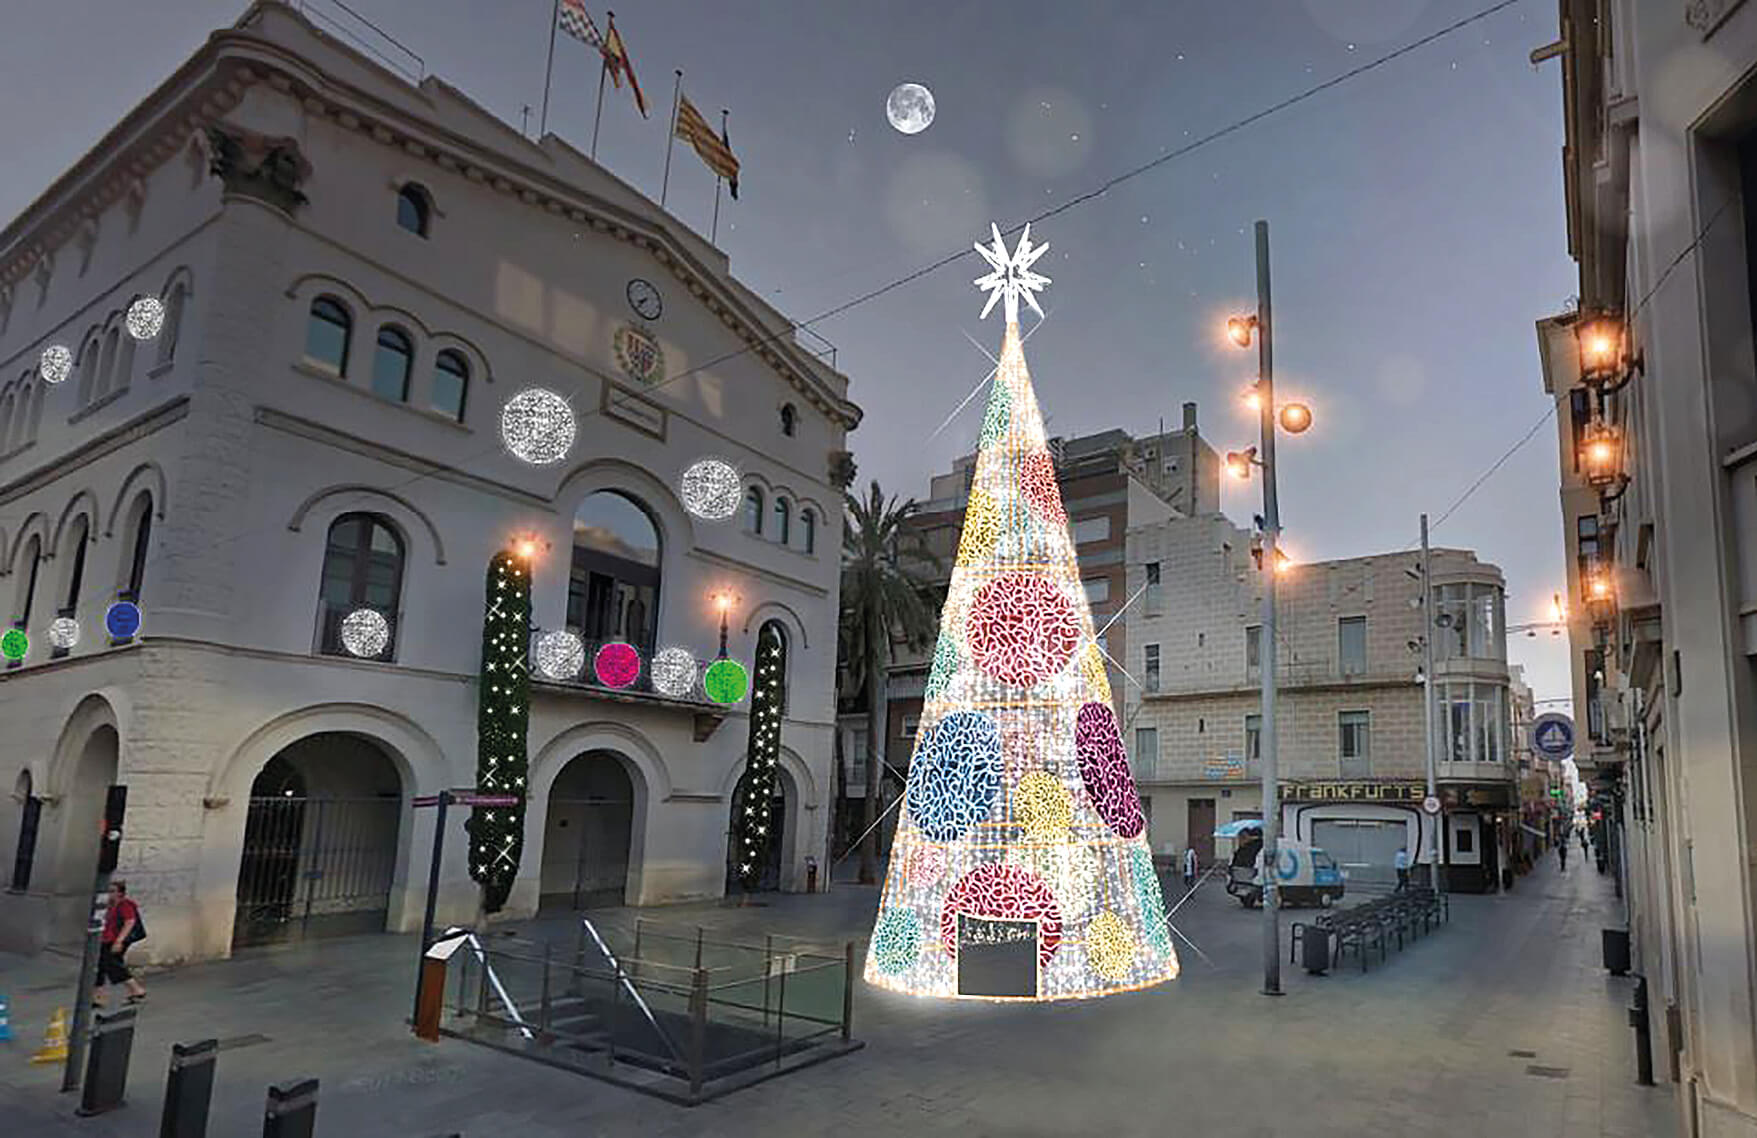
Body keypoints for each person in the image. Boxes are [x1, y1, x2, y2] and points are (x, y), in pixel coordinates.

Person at [95, 880, 147, 1008]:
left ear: (120, 893)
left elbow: (130, 922)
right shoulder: (108, 905)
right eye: (108, 891)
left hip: (115, 939)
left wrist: (119, 941)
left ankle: (136, 989)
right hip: (105, 939)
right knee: (100, 966)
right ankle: (99, 996)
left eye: (112, 891)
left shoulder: (125, 904)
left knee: (112, 964)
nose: (109, 894)